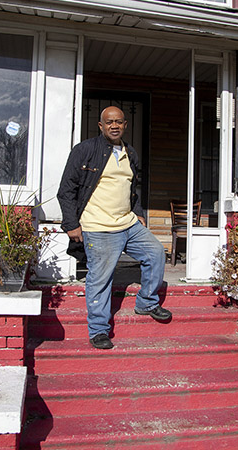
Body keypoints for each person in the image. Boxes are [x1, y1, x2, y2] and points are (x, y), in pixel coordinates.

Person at [57, 106, 171, 349]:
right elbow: (66, 190)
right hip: (98, 226)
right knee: (100, 278)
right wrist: (71, 224)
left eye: (119, 121)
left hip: (127, 223)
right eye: (109, 122)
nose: (114, 125)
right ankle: (98, 329)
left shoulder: (130, 153)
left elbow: (131, 190)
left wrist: (138, 213)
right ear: (101, 125)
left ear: (125, 124)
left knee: (155, 253)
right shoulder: (85, 150)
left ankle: (146, 302)